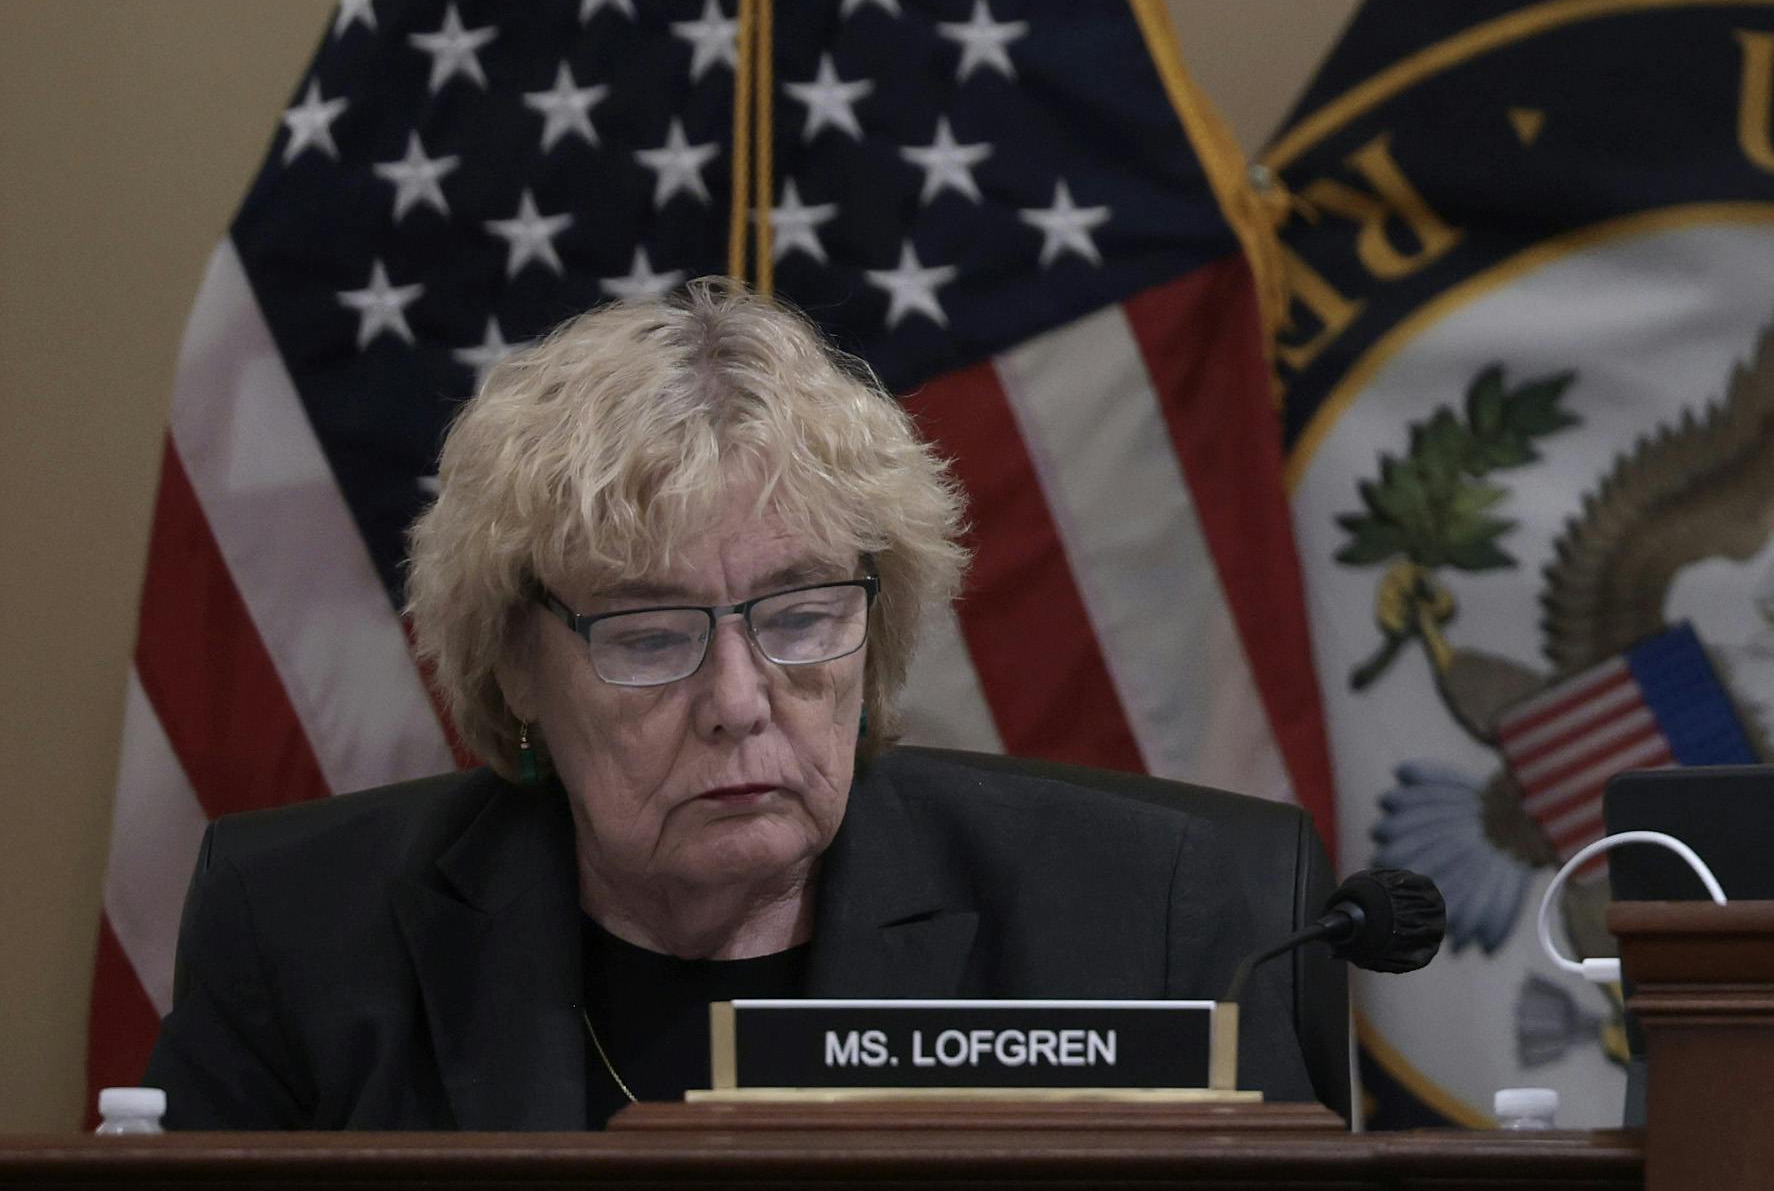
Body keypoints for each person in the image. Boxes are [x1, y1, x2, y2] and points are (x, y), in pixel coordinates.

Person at [143, 285, 1337, 1127]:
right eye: (651, 635)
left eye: (802, 617)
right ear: (517, 669)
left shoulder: (1150, 931)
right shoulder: (300, 947)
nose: (736, 700)